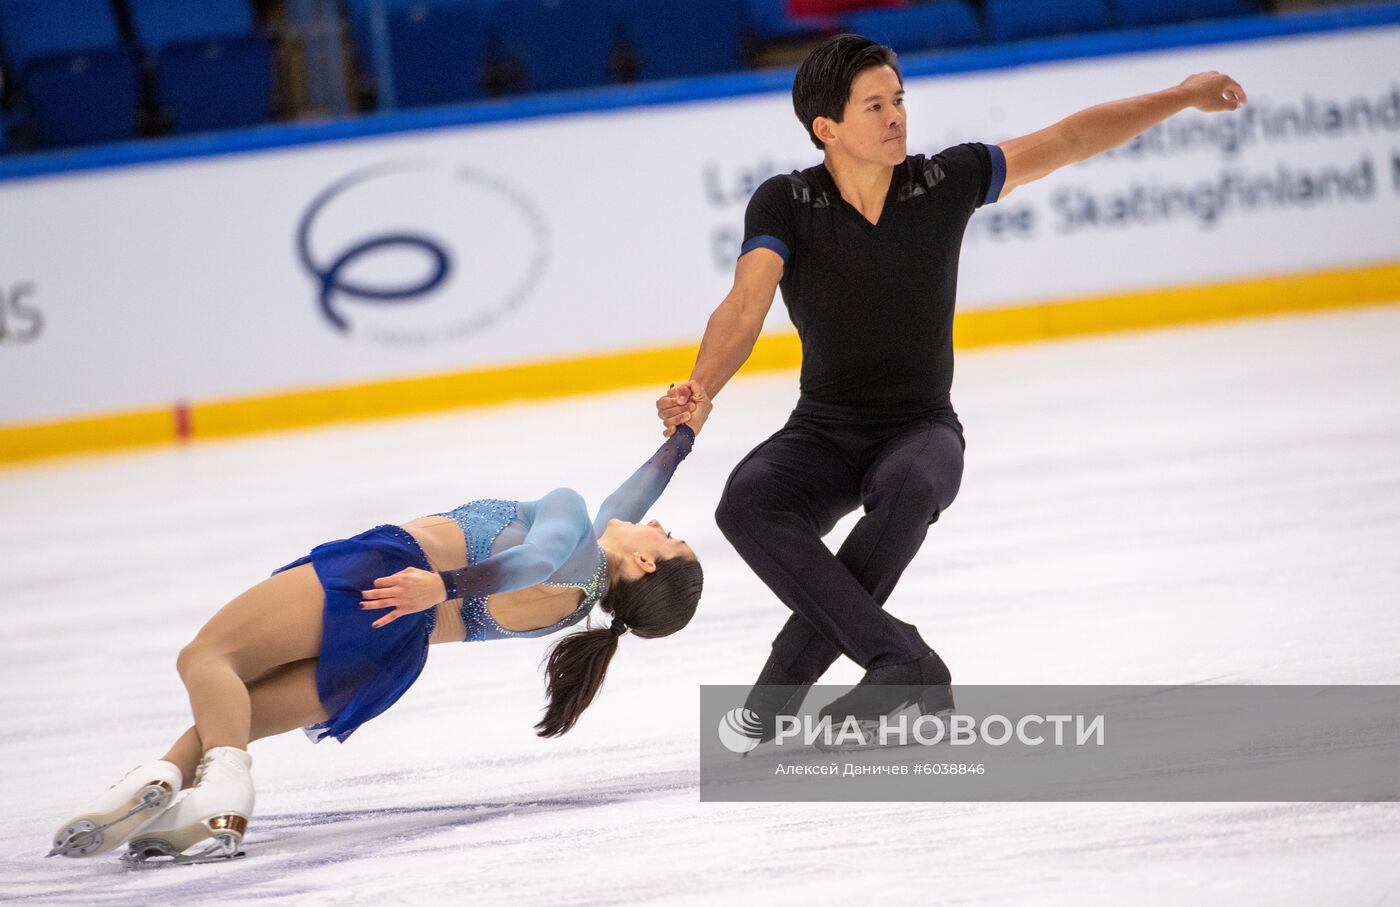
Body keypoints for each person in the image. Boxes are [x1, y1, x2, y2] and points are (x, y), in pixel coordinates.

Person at [656, 34, 1246, 736]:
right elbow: (747, 302)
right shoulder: (787, 202)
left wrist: (1180, 96)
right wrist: (702, 384)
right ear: (827, 128)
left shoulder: (945, 181)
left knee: (907, 489)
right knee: (748, 504)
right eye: (874, 105)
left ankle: (793, 681)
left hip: (921, 430)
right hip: (825, 430)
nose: (896, 116)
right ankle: (904, 661)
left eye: (899, 99)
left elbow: (1070, 137)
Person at [48, 424, 705, 866]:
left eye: (668, 536)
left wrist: (441, 582)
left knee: (207, 658)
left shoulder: (568, 526)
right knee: (234, 710)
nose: (656, 521)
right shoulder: (579, 601)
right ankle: (165, 783)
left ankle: (222, 795)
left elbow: (533, 556)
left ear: (647, 565)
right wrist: (681, 436)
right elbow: (629, 497)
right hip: (394, 655)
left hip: (387, 579)